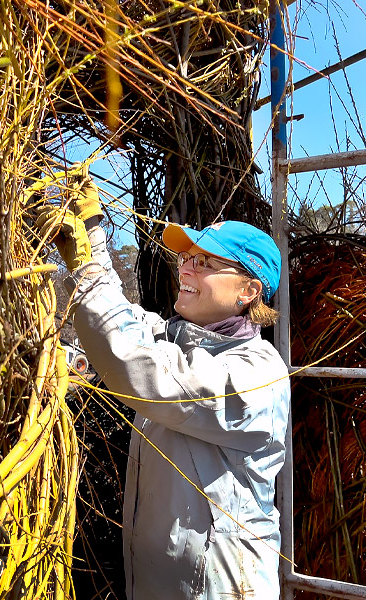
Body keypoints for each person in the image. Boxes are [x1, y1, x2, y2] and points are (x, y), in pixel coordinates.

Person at [36, 180, 291, 600]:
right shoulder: (178, 339)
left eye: (206, 263)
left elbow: (140, 365)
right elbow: (126, 326)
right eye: (187, 257)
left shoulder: (256, 375)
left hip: (221, 587)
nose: (186, 268)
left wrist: (86, 268)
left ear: (248, 292)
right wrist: (94, 232)